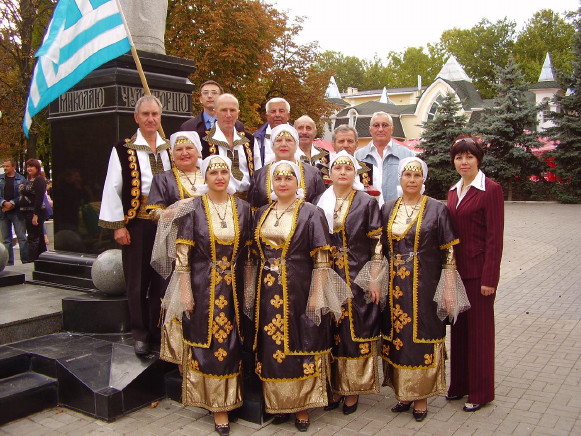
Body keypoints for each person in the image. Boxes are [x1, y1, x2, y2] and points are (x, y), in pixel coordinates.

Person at [152, 155, 252, 436]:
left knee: (231, 343)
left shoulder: (243, 208)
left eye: (223, 172)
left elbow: (249, 254)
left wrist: (248, 289)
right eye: (213, 172)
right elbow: (182, 256)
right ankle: (216, 407)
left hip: (232, 287)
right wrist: (185, 292)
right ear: (205, 177)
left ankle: (229, 399)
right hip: (201, 285)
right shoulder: (193, 208)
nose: (219, 177)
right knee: (207, 344)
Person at [250, 160, 349, 432]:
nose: (283, 183)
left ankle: (302, 406)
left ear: (298, 183)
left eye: (288, 178)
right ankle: (279, 403)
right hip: (268, 289)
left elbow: (321, 257)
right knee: (273, 346)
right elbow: (253, 255)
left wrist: (317, 294)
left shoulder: (311, 213)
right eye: (278, 178)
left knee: (301, 343)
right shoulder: (261, 213)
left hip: (300, 287)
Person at [379, 157, 459, 422]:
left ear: (423, 179)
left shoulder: (437, 209)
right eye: (406, 175)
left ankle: (421, 398)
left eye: (416, 176)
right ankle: (404, 393)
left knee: (420, 338)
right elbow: (380, 248)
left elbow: (448, 252)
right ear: (399, 179)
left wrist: (448, 287)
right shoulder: (388, 208)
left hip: (424, 285)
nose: (411, 180)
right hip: (395, 287)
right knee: (398, 338)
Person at [98, 94, 172, 356]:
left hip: (166, 225)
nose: (151, 119)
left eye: (155, 114)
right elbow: (113, 187)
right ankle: (140, 333)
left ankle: (160, 330)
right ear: (136, 117)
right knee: (138, 281)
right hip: (137, 224)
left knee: (164, 279)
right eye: (146, 114)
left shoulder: (170, 147)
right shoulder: (123, 149)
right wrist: (119, 225)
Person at [316, 151, 382, 415]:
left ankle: (352, 390)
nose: (342, 172)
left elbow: (377, 243)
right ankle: (334, 387)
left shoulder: (366, 202)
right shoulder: (320, 201)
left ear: (355, 173)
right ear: (329, 174)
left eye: (347, 168)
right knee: (331, 331)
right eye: (337, 168)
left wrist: (374, 278)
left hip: (356, 275)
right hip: (328, 274)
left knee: (354, 332)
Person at [446, 136, 504, 412]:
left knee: (480, 335)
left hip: (479, 275)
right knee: (459, 334)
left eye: (469, 156)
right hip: (456, 274)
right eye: (459, 157)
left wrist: (489, 279)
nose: (464, 162)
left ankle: (481, 393)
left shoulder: (490, 190)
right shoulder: (453, 191)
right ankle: (458, 385)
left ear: (478, 159)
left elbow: (495, 238)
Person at [146, 131, 203, 365]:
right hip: (176, 247)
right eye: (178, 149)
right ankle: (178, 354)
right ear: (172, 154)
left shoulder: (210, 174)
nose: (184, 153)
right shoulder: (163, 178)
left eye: (189, 148)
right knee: (178, 297)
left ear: (198, 152)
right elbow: (154, 212)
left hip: (206, 248)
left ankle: (200, 348)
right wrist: (179, 208)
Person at [248, 124, 325, 210]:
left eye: (289, 140)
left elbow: (320, 206)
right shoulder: (259, 175)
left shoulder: (313, 173)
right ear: (272, 145)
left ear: (296, 145)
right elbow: (254, 210)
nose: (283, 144)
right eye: (279, 140)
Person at [198, 94, 259, 198]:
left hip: (248, 201)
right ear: (215, 112)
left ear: (238, 113)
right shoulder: (202, 139)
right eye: (223, 110)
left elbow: (258, 171)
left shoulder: (249, 139)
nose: (228, 115)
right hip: (217, 200)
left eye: (232, 110)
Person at [355, 112, 414, 205]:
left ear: (392, 129)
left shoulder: (407, 155)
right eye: (376, 125)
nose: (380, 129)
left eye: (385, 125)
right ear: (370, 130)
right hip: (368, 212)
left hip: (398, 211)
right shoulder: (358, 156)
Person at [179, 80, 244, 137]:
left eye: (214, 92)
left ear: (221, 97)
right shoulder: (188, 127)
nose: (209, 96)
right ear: (200, 99)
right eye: (205, 93)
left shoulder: (237, 125)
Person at [18, 159, 48, 261]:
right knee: (38, 236)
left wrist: (36, 215)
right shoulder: (29, 180)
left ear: (37, 168)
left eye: (32, 166)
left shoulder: (39, 180)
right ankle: (42, 258)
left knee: (33, 238)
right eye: (28, 166)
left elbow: (39, 199)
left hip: (34, 212)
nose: (29, 168)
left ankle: (32, 259)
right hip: (27, 212)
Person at [0, 158, 28, 264]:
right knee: (6, 239)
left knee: (22, 237)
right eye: (4, 166)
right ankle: (8, 262)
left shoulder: (21, 179)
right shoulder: (0, 179)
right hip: (3, 212)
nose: (5, 168)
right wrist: (3, 203)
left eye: (7, 166)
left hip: (17, 212)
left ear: (13, 167)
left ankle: (25, 260)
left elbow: (23, 195)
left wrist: (12, 203)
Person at [330, 125, 374, 190]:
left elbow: (378, 199)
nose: (345, 145)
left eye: (350, 141)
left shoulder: (371, 170)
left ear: (356, 144)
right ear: (333, 145)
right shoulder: (322, 170)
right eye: (341, 141)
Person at [253, 97, 291, 166]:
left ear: (288, 115)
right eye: (273, 111)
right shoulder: (256, 139)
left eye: (281, 111)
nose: (277, 115)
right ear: (267, 116)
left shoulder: (299, 137)